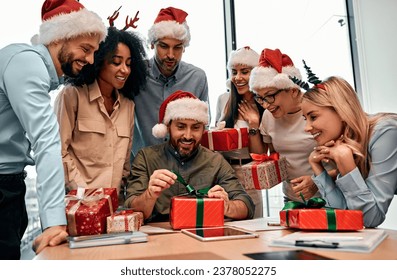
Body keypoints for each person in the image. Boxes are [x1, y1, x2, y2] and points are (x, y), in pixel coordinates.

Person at [0, 0, 107, 259]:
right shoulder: (26, 62)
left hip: (11, 186)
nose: (91, 59)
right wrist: (54, 224)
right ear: (60, 38)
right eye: (85, 48)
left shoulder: (29, 66)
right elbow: (47, 142)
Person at [125, 90, 255, 222]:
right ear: (168, 127)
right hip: (159, 237)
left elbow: (247, 206)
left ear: (203, 129)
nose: (188, 136)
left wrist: (226, 206)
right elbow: (131, 208)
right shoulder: (146, 158)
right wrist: (150, 195)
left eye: (195, 128)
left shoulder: (215, 161)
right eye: (181, 127)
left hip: (203, 235)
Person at [54, 24, 147, 204]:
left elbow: (125, 163)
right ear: (98, 61)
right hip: (75, 204)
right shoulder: (72, 95)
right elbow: (58, 152)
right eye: (116, 62)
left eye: (128, 64)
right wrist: (86, 195)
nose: (124, 70)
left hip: (113, 206)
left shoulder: (128, 106)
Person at [301, 75, 397, 228]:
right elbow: (343, 213)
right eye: (305, 119)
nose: (307, 128)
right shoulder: (344, 143)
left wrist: (346, 164)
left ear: (341, 111)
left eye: (313, 116)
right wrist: (318, 170)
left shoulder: (385, 132)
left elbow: (370, 219)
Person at [244, 48, 321, 203]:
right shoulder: (268, 116)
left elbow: (343, 161)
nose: (265, 105)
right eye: (260, 98)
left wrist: (318, 182)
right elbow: (272, 155)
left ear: (293, 90)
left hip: (327, 198)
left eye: (270, 96)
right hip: (291, 198)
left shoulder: (318, 110)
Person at [132, 6, 209, 158]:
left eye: (177, 48)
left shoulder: (197, 77)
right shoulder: (136, 73)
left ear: (184, 48)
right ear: (152, 44)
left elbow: (201, 125)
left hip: (185, 164)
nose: (171, 55)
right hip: (142, 164)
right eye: (164, 46)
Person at [217, 46, 265, 218]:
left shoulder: (264, 104)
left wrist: (253, 124)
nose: (238, 78)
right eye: (234, 72)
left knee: (253, 224)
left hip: (249, 174)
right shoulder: (224, 99)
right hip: (224, 173)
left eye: (245, 72)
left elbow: (260, 154)